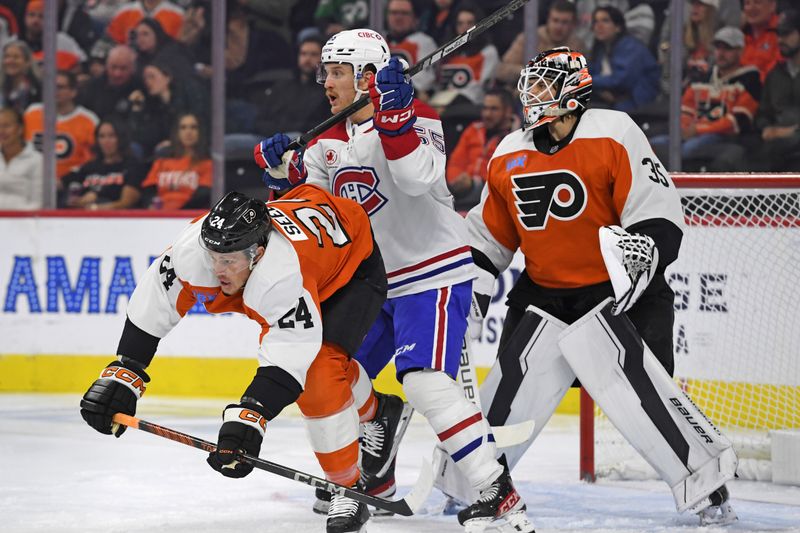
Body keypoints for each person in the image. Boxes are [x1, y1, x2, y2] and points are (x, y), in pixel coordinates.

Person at [254, 28, 535, 533]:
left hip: (433, 270)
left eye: (337, 72)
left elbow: (415, 178)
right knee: (332, 376)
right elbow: (315, 216)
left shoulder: (420, 116)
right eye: (326, 72)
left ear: (367, 77)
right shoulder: (326, 140)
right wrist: (282, 178)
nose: (327, 82)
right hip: (372, 282)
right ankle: (374, 478)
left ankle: (499, 494)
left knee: (427, 383)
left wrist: (397, 120)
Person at [464, 47, 738, 527]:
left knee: (650, 399)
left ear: (573, 90)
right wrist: (474, 286)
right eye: (531, 83)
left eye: (545, 83)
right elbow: (490, 235)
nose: (532, 93)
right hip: (544, 293)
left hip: (617, 294)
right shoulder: (508, 151)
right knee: (508, 391)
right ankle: (482, 484)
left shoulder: (614, 131)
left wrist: (645, 253)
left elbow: (657, 211)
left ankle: (708, 486)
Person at [79, 184, 389, 533]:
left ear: (257, 253)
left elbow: (289, 356)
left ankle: (348, 486)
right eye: (213, 257)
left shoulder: (281, 274)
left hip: (349, 267)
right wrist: (125, 371)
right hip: (309, 232)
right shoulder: (194, 249)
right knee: (321, 369)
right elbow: (157, 299)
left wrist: (251, 415)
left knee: (319, 371)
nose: (217, 268)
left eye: (228, 260)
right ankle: (381, 412)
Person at [651, 26, 760, 171]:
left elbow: (738, 122)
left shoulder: (750, 79)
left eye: (727, 49)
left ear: (740, 50)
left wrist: (699, 130)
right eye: (718, 48)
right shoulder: (703, 77)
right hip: (694, 134)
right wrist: (685, 128)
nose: (721, 54)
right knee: (653, 144)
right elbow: (686, 110)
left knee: (687, 149)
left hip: (722, 136)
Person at [446, 88, 515, 211]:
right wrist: (456, 182)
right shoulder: (473, 129)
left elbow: (510, 173)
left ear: (508, 111)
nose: (487, 114)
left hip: (494, 196)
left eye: (494, 109)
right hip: (463, 193)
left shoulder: (516, 136)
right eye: (485, 108)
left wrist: (476, 183)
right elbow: (455, 163)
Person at [24, 70, 99, 180]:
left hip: (71, 183)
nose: (54, 91)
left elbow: (94, 160)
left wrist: (67, 180)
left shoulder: (89, 120)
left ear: (73, 91)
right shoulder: (31, 112)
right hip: (30, 178)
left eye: (60, 87)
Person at [496, 0, 586, 87]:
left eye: (564, 22)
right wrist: (529, 71)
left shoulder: (577, 46)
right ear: (548, 20)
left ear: (573, 24)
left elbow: (580, 78)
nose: (558, 27)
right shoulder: (529, 38)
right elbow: (502, 70)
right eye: (555, 20)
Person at [588, 5, 660, 112]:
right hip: (615, 103)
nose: (599, 26)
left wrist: (585, 81)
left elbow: (621, 80)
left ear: (618, 27)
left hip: (639, 106)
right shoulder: (601, 49)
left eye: (605, 21)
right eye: (595, 21)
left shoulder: (630, 46)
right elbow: (591, 72)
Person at [753, 9, 800, 171]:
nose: (780, 40)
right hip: (776, 144)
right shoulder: (775, 73)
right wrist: (766, 128)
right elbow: (763, 113)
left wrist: (791, 131)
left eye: (786, 34)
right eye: (779, 34)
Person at [60, 118, 144, 210]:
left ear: (121, 138)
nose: (106, 141)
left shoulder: (132, 166)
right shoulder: (89, 166)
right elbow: (63, 183)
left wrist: (94, 206)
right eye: (102, 136)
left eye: (112, 136)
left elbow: (126, 203)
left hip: (116, 219)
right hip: (82, 218)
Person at [432, 2, 499, 108]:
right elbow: (437, 84)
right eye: (460, 23)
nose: (465, 28)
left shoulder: (488, 52)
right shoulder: (445, 52)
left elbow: (481, 89)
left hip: (472, 107)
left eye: (470, 23)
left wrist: (456, 99)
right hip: (441, 106)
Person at [139, 112, 211, 209]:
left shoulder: (208, 163)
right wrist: (152, 206)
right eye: (183, 127)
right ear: (177, 132)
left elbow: (203, 196)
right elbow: (149, 190)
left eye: (193, 127)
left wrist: (176, 214)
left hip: (189, 216)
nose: (188, 132)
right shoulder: (162, 162)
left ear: (201, 132)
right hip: (159, 216)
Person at [385, 0, 437, 97]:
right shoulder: (381, 42)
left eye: (404, 13)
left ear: (415, 18)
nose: (398, 18)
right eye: (394, 13)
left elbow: (424, 85)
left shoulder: (423, 42)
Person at [0, 106, 43, 210]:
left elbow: (38, 203)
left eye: (6, 126)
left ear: (20, 129)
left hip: (24, 221)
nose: (1, 131)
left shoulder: (36, 160)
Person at [106, 0, 185, 44]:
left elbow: (179, 49)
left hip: (163, 66)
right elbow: (111, 42)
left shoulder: (178, 15)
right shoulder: (124, 12)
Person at [741, 0, 780, 82]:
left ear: (772, 5)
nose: (751, 8)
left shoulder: (782, 32)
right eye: (747, 3)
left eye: (757, 2)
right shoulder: (740, 35)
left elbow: (779, 71)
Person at [0, 40, 41, 115]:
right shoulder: (2, 88)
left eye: (16, 57)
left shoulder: (39, 88)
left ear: (27, 62)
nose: (10, 61)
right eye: (7, 57)